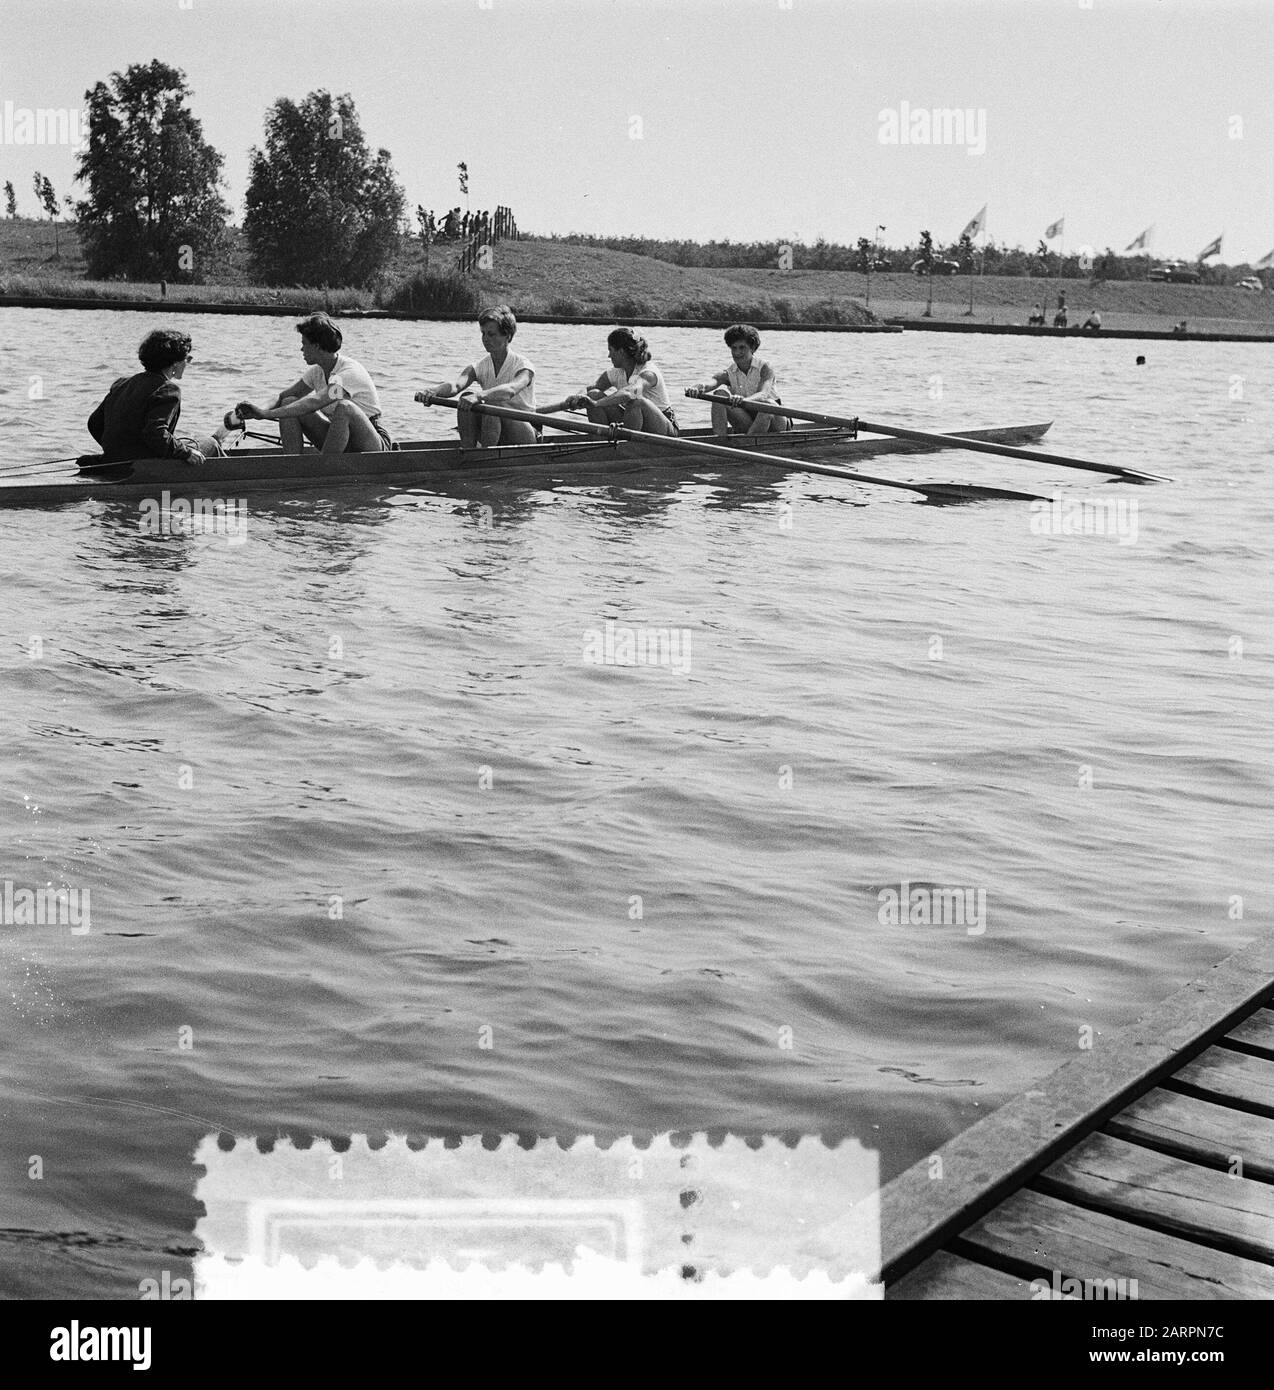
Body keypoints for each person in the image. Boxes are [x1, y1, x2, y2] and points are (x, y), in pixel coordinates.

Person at [235, 312, 391, 454]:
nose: (301, 349)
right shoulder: (318, 372)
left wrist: (266, 415)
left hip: (372, 442)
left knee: (344, 407)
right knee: (288, 402)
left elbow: (315, 402)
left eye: (304, 343)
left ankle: (322, 469)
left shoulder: (347, 373)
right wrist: (257, 410)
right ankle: (293, 464)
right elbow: (284, 396)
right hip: (341, 439)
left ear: (316, 346)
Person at [87, 328, 223, 465]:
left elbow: (94, 423)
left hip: (112, 461)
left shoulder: (122, 383)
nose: (188, 364)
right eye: (187, 359)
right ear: (175, 362)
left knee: (192, 442)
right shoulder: (168, 389)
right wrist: (185, 453)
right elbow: (154, 433)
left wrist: (117, 451)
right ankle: (234, 478)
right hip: (146, 466)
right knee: (210, 443)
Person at [415, 304, 537, 447]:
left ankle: (482, 457)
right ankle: (469, 453)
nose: (485, 339)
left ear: (507, 336)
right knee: (466, 397)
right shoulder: (480, 366)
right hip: (496, 428)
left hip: (526, 433)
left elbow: (510, 390)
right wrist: (433, 392)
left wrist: (479, 396)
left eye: (491, 334)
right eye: (483, 333)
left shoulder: (523, 366)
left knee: (493, 403)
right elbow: (456, 385)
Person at [540, 327, 677, 435]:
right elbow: (590, 389)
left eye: (611, 350)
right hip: (636, 424)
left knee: (637, 402)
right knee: (593, 394)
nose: (609, 355)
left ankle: (624, 449)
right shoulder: (616, 372)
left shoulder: (648, 373)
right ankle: (603, 443)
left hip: (665, 428)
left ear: (621, 352)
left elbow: (629, 393)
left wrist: (596, 404)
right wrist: (579, 397)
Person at [692, 323, 790, 436]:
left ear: (752, 348)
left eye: (742, 348)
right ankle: (720, 442)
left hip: (775, 421)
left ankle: (748, 445)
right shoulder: (729, 373)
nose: (737, 353)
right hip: (748, 421)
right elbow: (711, 383)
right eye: (734, 348)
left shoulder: (765, 367)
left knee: (767, 405)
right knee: (719, 394)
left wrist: (743, 400)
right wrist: (698, 388)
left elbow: (763, 394)